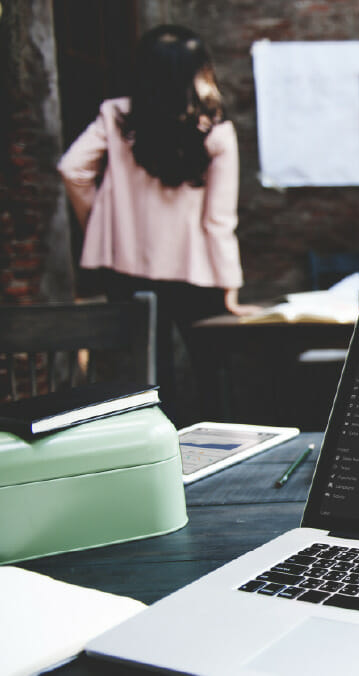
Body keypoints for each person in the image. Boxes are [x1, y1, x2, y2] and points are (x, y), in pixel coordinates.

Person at [58, 24, 256, 419]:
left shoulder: (115, 116)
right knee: (211, 372)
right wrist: (230, 285)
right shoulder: (215, 130)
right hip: (194, 269)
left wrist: (98, 224)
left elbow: (72, 169)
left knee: (147, 376)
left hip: (125, 266)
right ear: (198, 71)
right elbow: (218, 220)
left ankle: (157, 456)